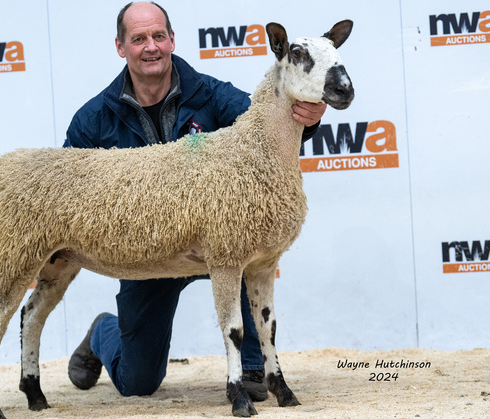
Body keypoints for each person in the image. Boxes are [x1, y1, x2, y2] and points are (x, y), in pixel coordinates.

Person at [65, 1, 326, 401]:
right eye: (138, 39)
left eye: (157, 36)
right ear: (121, 47)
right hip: (147, 254)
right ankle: (104, 331)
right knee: (138, 384)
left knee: (244, 250)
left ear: (172, 40)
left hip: (214, 241)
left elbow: (269, 125)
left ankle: (252, 366)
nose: (150, 46)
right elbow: (67, 190)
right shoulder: (94, 119)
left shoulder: (212, 95)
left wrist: (308, 115)